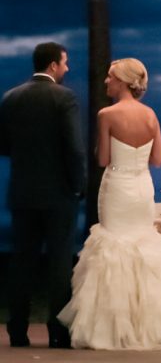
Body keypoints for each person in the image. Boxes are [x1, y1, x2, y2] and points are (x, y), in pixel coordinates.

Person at [57, 58, 161, 350]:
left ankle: (114, 329)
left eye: (110, 77)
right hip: (143, 187)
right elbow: (158, 160)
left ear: (121, 81)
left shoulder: (107, 114)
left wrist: (100, 147)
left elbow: (103, 160)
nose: (106, 81)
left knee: (114, 247)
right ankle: (155, 327)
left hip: (117, 187)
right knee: (144, 246)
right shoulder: (150, 115)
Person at [0, 42, 86, 348]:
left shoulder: (10, 97)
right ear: (52, 65)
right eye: (65, 63)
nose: (67, 68)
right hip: (58, 194)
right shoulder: (64, 98)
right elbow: (74, 149)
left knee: (21, 262)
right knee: (59, 263)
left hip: (22, 192)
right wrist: (78, 185)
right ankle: (57, 332)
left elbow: (4, 145)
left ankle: (18, 331)